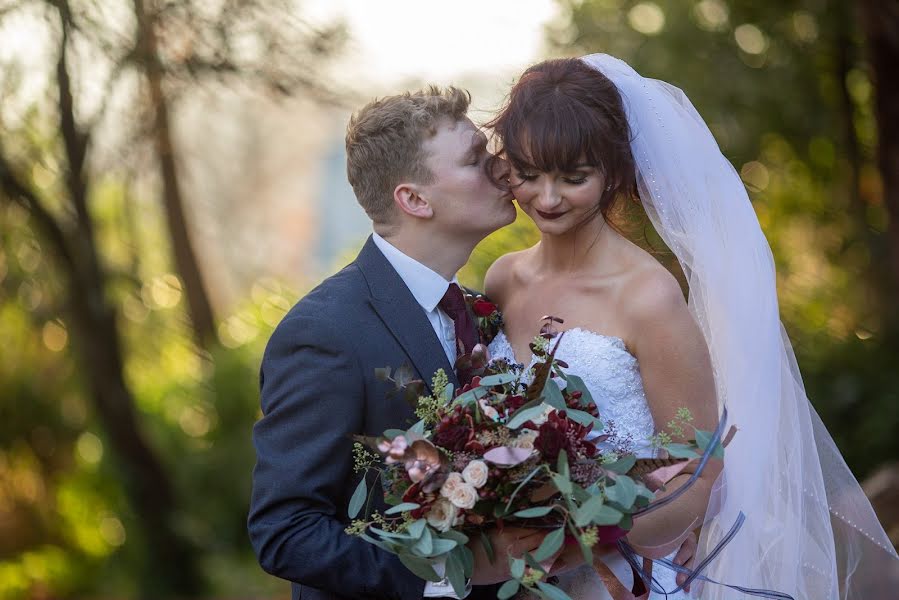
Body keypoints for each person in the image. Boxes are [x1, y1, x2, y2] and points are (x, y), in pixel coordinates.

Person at [247, 83, 699, 600]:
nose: (503, 170)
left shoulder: (480, 307)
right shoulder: (326, 332)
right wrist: (447, 573)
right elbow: (285, 531)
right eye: (475, 160)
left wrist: (675, 521)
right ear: (415, 199)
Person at [483, 54, 899, 599]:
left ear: (614, 171)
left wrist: (583, 533)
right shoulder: (502, 279)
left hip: (612, 577)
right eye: (530, 174)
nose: (547, 197)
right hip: (501, 574)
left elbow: (694, 471)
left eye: (573, 177)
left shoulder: (646, 296)